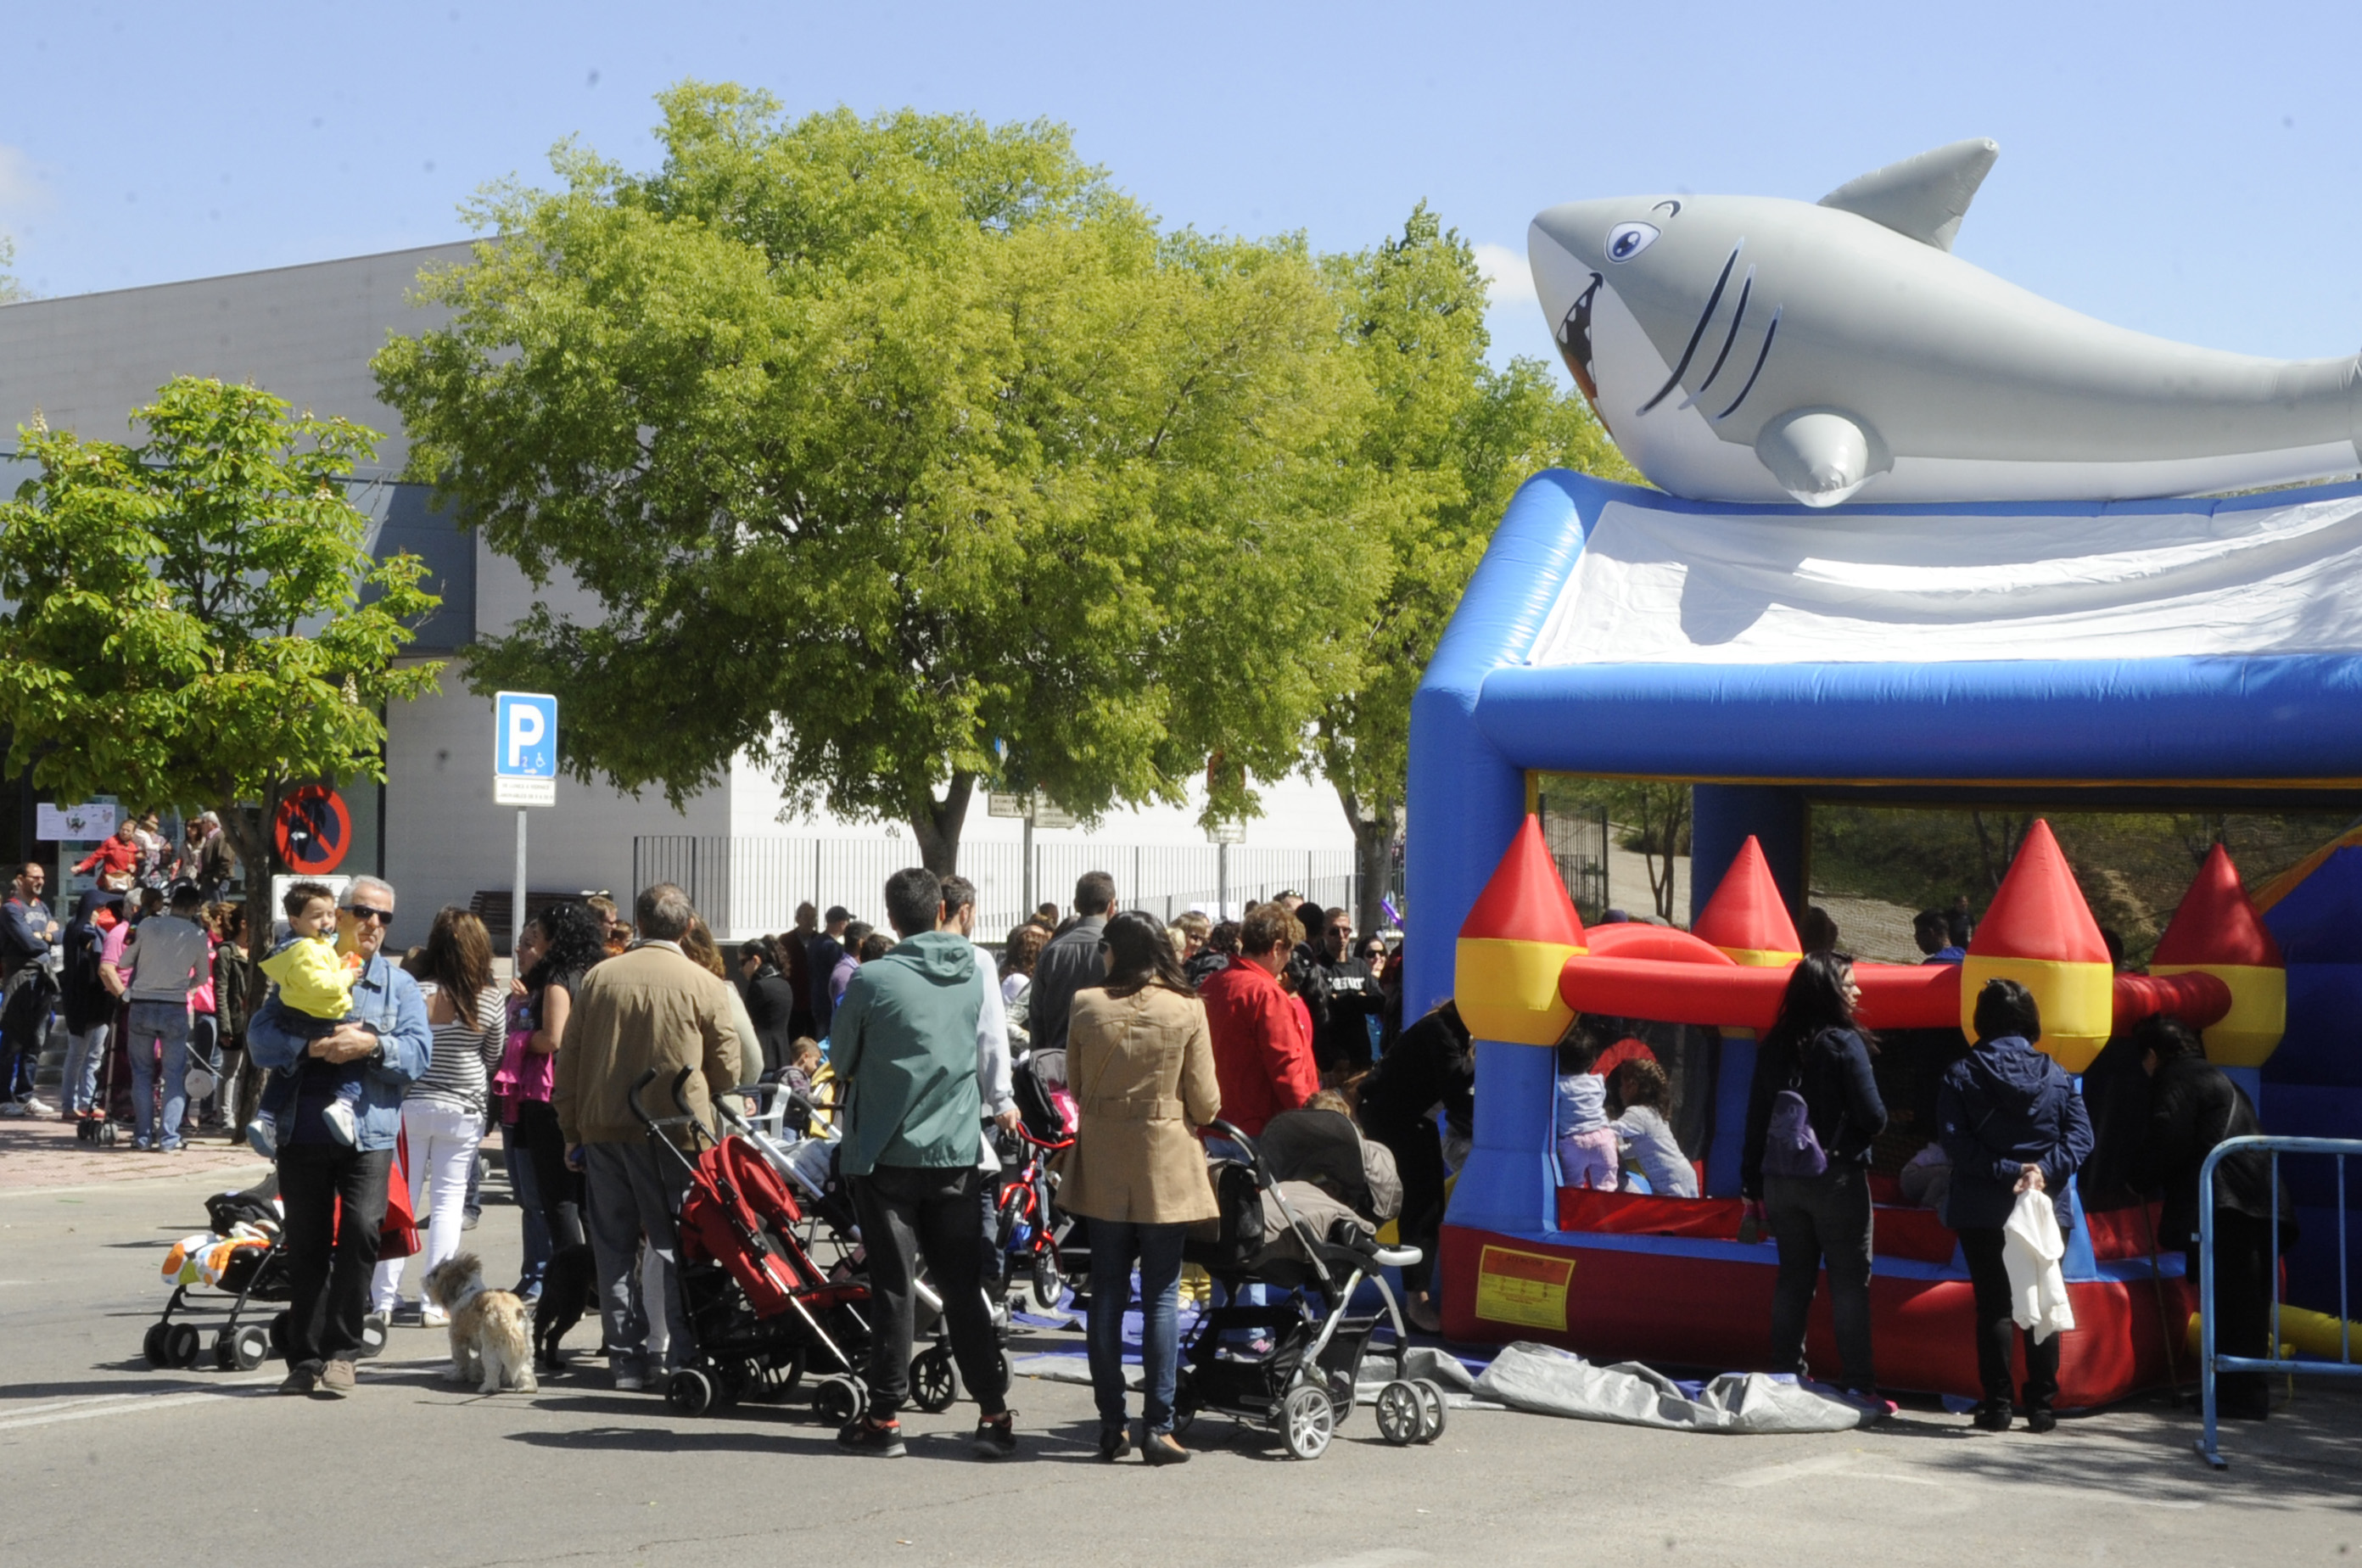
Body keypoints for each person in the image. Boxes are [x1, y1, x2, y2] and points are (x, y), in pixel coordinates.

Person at [831, 866, 1015, 1459]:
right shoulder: (972, 972)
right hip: (956, 1148)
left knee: (893, 1285)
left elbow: (846, 1055)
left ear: (891, 919)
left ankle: (884, 1416)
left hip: (884, 1150)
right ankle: (992, 1410)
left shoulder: (872, 978)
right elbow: (987, 1043)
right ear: (943, 911)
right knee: (962, 1286)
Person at [247, 875, 431, 1397]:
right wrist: (304, 1050)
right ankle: (304, 1358)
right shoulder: (301, 968)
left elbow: (418, 1055)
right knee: (305, 1243)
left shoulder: (399, 986)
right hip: (300, 1130)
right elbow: (260, 1039)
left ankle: (344, 1351)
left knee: (359, 1230)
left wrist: (369, 1045)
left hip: (367, 1133)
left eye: (385, 917)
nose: (373, 924)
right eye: (363, 912)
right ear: (339, 915)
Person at [557, 883, 740, 1392]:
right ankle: (683, 1349)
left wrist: (571, 1128)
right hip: (675, 1130)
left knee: (613, 1247)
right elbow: (728, 1066)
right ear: (687, 927)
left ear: (637, 923)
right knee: (675, 1244)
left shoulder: (599, 978)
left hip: (604, 1125)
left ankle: (625, 1361)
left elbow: (568, 1059)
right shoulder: (704, 983)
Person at [1061, 910, 1222, 1464]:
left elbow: (1076, 1090)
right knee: (1160, 1294)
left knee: (1106, 1292)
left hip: (1104, 1163)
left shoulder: (1086, 1005)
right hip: (1165, 1166)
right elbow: (1206, 1102)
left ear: (1118, 952)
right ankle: (1159, 1426)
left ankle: (1111, 1423)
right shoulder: (1187, 1009)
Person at [1936, 977, 2093, 1432]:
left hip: (1984, 1207)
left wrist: (2009, 1171)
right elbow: (2082, 1136)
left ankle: (1997, 1405)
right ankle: (2042, 1406)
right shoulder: (2058, 1074)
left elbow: (1956, 1144)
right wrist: (2041, 1171)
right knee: (2043, 1300)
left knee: (1995, 1306)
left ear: (1981, 1020)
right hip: (2046, 1205)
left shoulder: (1960, 1073)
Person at [1740, 949, 1888, 1401]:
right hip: (1836, 1177)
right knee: (1847, 1282)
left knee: (1793, 1278)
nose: (1858, 991)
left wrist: (1750, 1185)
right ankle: (1859, 1384)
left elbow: (1756, 1117)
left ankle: (1787, 1373)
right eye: (1850, 984)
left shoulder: (1775, 1042)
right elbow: (1874, 1116)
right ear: (1831, 991)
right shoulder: (1844, 1043)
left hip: (1780, 1180)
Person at [2134, 1015, 2293, 1421]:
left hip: (2225, 1205)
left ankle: (2237, 1394)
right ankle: (2236, 1389)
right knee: (2246, 1305)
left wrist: (2137, 1178)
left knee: (2230, 1302)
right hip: (2255, 1200)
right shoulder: (2219, 1077)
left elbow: (2167, 1134)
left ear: (2153, 1055)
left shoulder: (2176, 1078)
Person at [371, 908, 506, 1325]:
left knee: (400, 1202)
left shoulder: (414, 991)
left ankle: (383, 1300)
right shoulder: (487, 997)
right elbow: (492, 1056)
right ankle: (437, 1302)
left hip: (412, 1103)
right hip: (463, 1107)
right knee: (448, 1205)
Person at [1356, 999, 1470, 1331]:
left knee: (1405, 1205)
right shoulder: (1442, 1030)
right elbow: (1456, 1089)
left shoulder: (1443, 1027)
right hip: (1399, 1121)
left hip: (1398, 1118)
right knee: (1422, 1208)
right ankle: (1416, 1303)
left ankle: (1408, 1297)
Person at [507, 903, 607, 1262]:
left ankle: (573, 1276)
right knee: (588, 1196)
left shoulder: (558, 979)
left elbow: (553, 1038)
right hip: (593, 1089)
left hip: (552, 1095)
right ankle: (599, 1274)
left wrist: (517, 1040)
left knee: (557, 1195)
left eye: (542, 934)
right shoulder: (599, 972)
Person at [245, 881, 367, 1152]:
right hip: (321, 1019)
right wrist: (348, 975)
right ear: (295, 921)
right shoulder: (307, 948)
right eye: (316, 916)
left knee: (289, 1067)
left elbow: (316, 971)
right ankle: (345, 1102)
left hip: (295, 1018)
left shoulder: (301, 947)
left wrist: (338, 963)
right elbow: (321, 984)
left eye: (329, 914)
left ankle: (266, 1115)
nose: (325, 921)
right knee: (356, 1049)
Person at [1198, 902, 1318, 1144]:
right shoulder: (1266, 993)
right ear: (1276, 948)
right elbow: (1287, 1067)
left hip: (1215, 1123)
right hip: (1260, 1128)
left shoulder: (1212, 984)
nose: (1288, 959)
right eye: (1289, 951)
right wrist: (1311, 1122)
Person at [116, 882, 215, 1152]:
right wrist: (184, 984)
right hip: (174, 1006)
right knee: (173, 1075)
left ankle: (142, 1136)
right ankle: (169, 1138)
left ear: (172, 903)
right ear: (195, 907)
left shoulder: (148, 925)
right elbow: (204, 977)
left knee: (142, 1073)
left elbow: (124, 962)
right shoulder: (196, 934)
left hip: (142, 1003)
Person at [1027, 871, 1117, 1059]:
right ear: (1112, 905)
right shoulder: (1118, 950)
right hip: (1105, 1061)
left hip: (1058, 1063)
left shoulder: (1052, 950)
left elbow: (1036, 1016)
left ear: (1076, 905)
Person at [59, 889, 123, 1124]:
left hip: (98, 1002)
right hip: (81, 1002)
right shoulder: (80, 930)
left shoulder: (94, 931)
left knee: (94, 1055)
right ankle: (68, 1105)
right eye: (97, 909)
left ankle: (87, 1102)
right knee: (77, 1054)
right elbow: (89, 943)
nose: (101, 914)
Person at [0, 861, 59, 1115]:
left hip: (44, 977)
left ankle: (26, 1097)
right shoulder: (11, 909)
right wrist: (44, 938)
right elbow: (27, 943)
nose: (40, 881)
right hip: (21, 977)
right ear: (21, 878)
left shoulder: (42, 907)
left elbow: (58, 934)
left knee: (35, 1041)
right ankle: (4, 1099)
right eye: (35, 877)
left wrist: (44, 937)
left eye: (42, 878)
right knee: (13, 1040)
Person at [1609, 1057, 1699, 1198]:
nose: (1620, 1090)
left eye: (1622, 1085)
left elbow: (1609, 1132)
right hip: (1680, 1176)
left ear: (1633, 1087)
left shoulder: (1638, 1114)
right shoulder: (1652, 1111)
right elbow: (1628, 1145)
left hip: (1673, 1181)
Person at [1553, 1020, 1617, 1189]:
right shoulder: (1597, 1081)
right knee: (1607, 1184)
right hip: (1603, 1138)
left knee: (1572, 1185)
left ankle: (1574, 1213)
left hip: (1574, 1142)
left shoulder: (1560, 1085)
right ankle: (1604, 1212)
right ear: (1591, 1061)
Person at [736, 938, 798, 1080]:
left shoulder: (759, 986)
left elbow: (747, 1021)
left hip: (762, 1055)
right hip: (782, 1054)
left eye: (742, 962)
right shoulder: (784, 984)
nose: (740, 968)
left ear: (755, 960)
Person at [807, 906, 852, 1039]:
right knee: (827, 1039)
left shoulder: (815, 942)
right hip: (828, 1000)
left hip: (816, 997)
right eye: (847, 922)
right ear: (841, 923)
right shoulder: (833, 947)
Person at [73, 819, 140, 891]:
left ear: (133, 833)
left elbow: (134, 863)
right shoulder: (111, 842)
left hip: (125, 883)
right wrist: (81, 866)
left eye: (128, 831)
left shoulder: (133, 846)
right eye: (122, 829)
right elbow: (95, 857)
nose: (124, 832)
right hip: (109, 883)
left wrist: (134, 867)